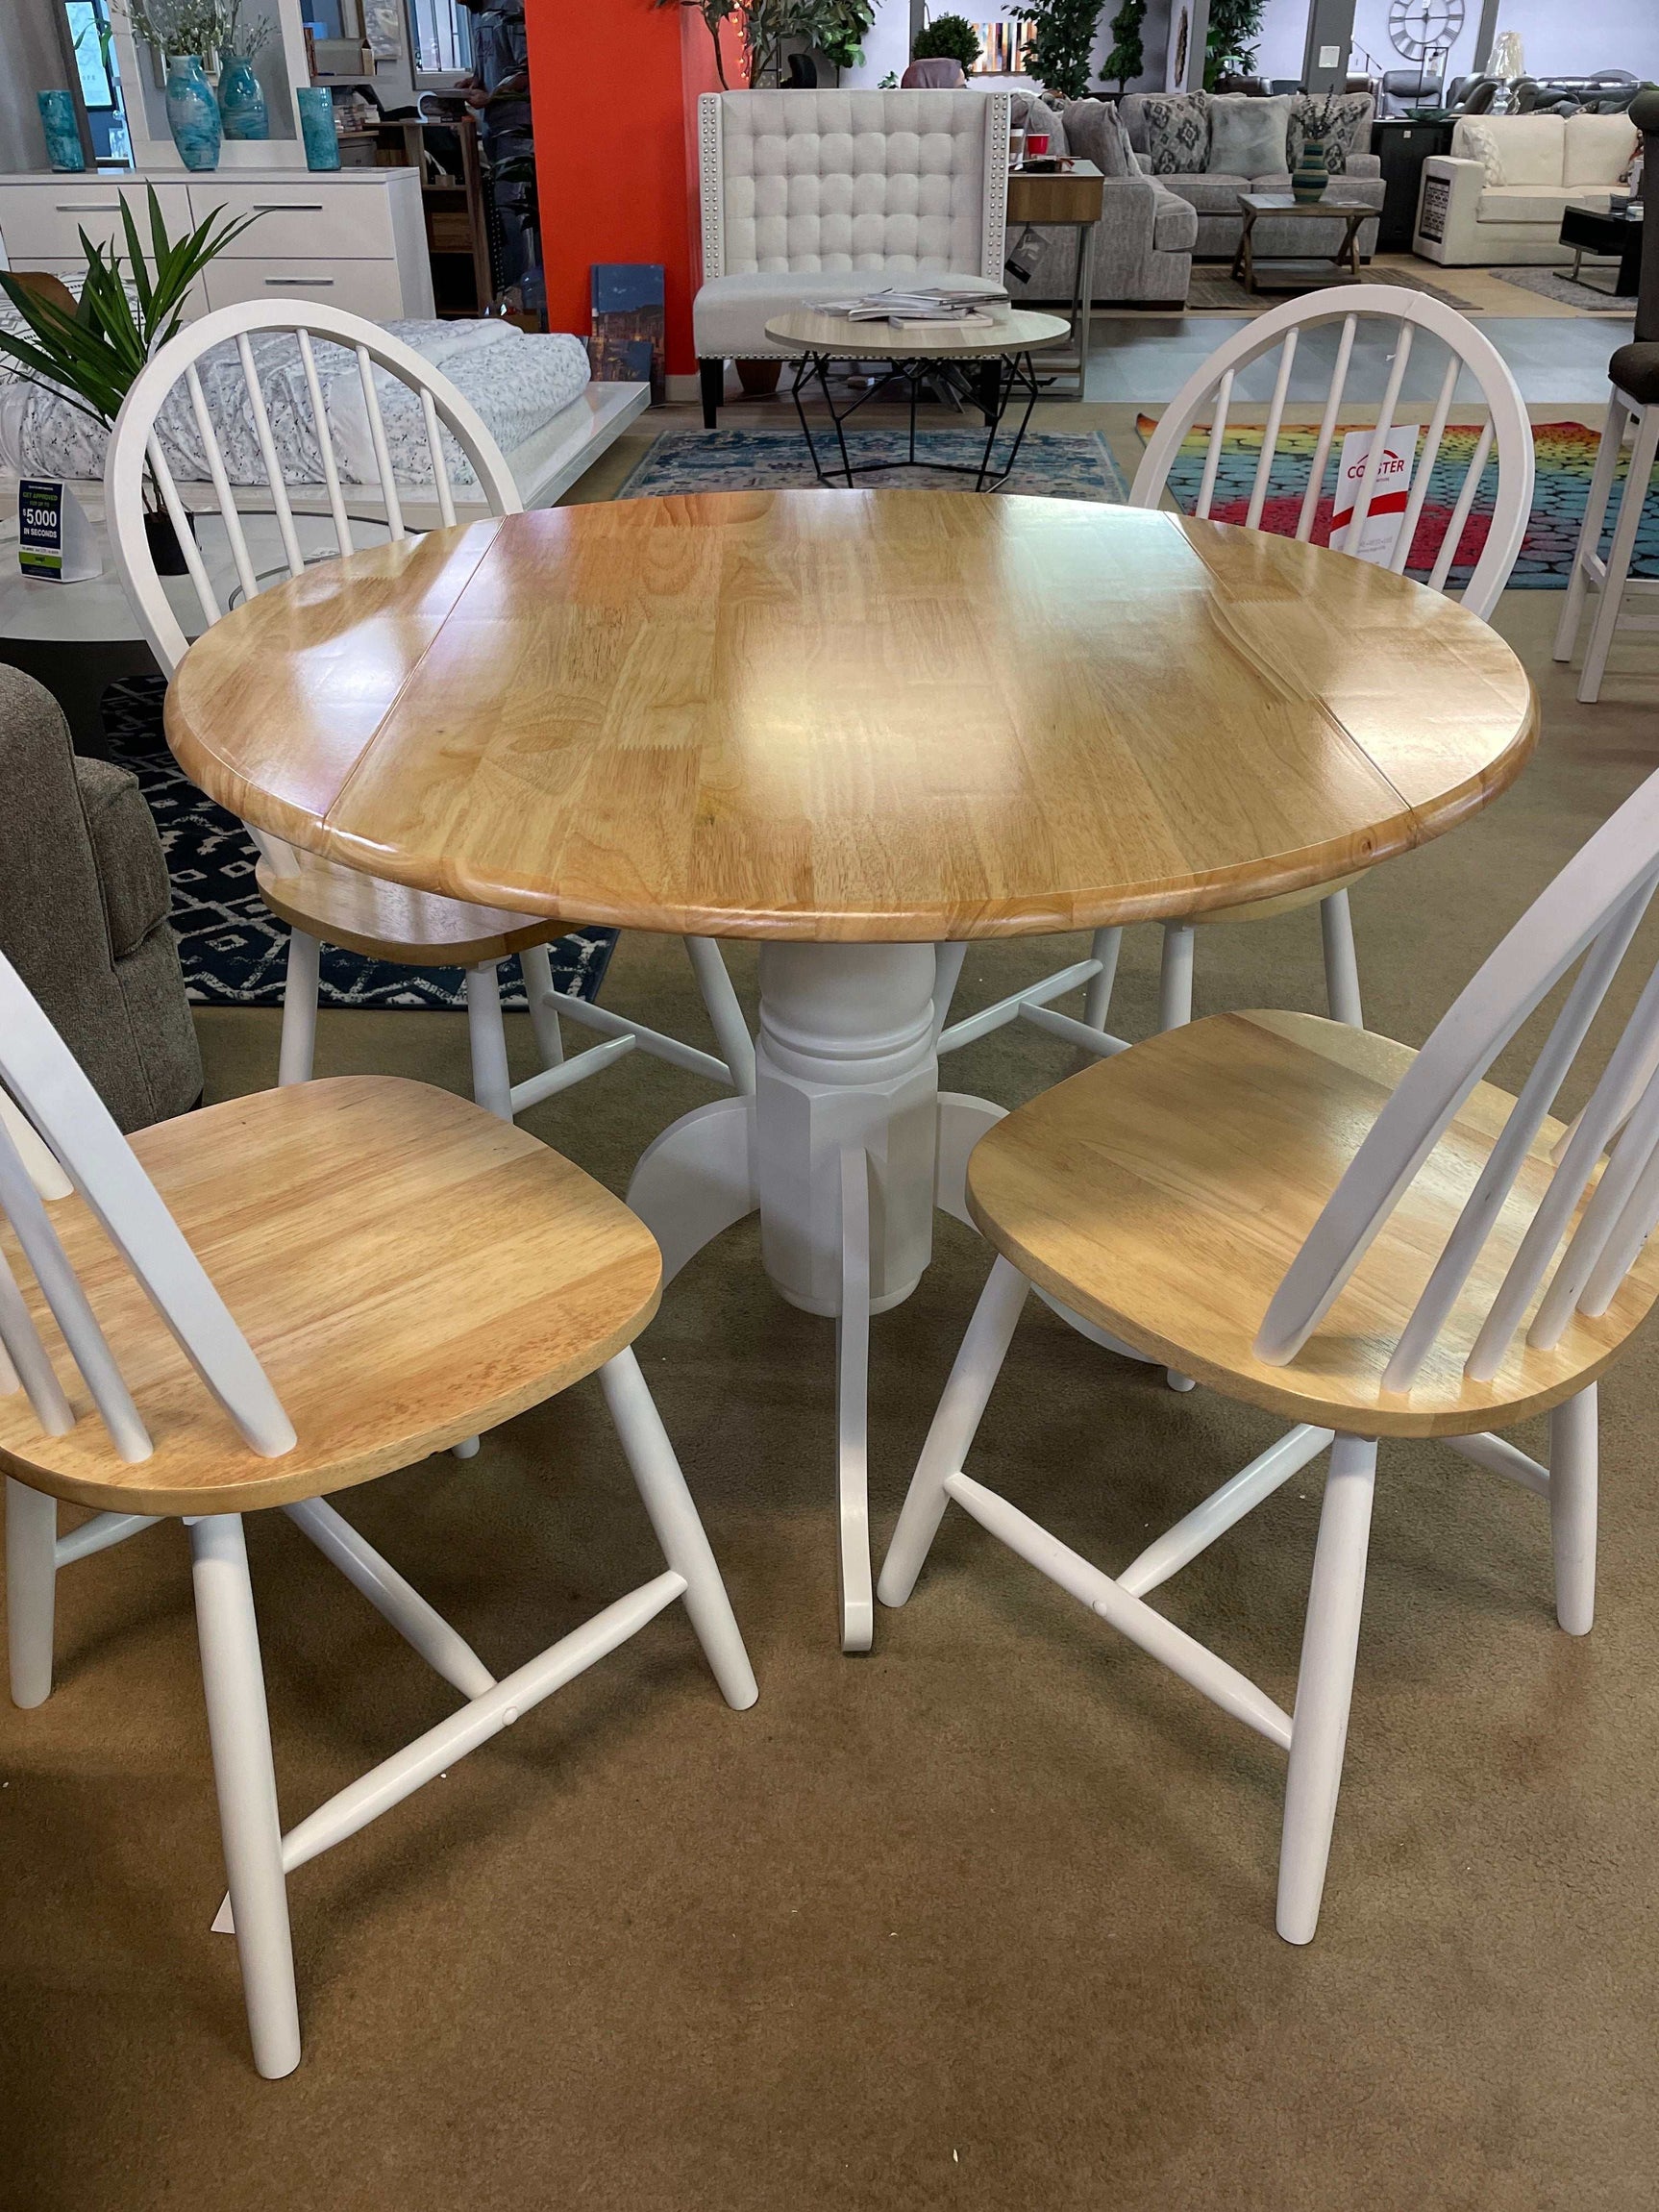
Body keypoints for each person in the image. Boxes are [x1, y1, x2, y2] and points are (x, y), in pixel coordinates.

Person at [455, 0, 534, 293]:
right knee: (501, 210)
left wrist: (491, 96)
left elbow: (527, 70)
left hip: (517, 126)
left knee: (513, 208)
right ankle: (512, 289)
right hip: (493, 124)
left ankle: (524, 289)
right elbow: (490, 68)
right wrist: (474, 81)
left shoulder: (510, 9)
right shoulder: (477, 15)